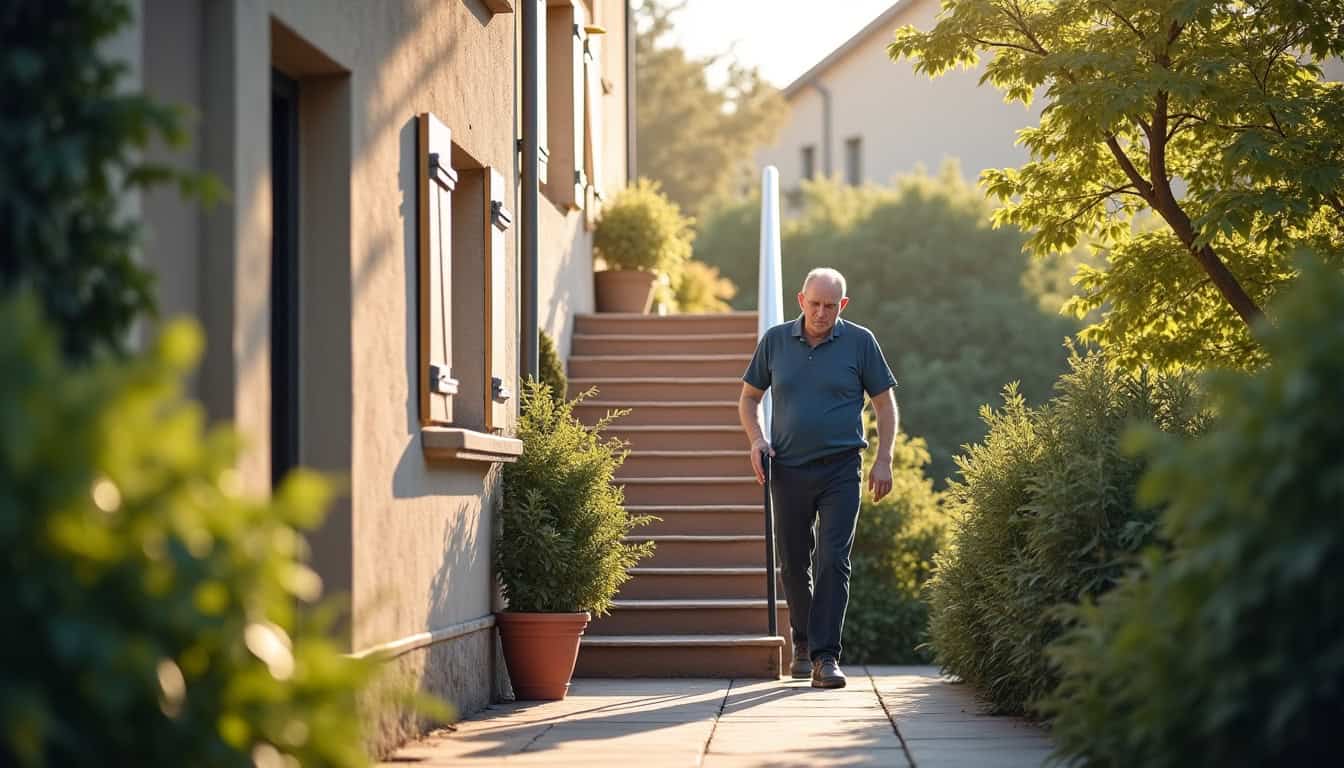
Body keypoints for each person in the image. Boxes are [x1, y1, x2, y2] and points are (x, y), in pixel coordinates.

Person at [738, 267, 898, 689]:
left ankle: (826, 658)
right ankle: (804, 643)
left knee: (832, 559)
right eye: (815, 304)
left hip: (842, 467)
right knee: (793, 562)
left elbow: (884, 404)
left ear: (842, 305)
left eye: (831, 305)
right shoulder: (774, 341)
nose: (822, 312)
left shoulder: (860, 342)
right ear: (800, 300)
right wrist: (757, 440)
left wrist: (884, 459)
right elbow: (750, 399)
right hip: (787, 467)